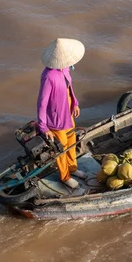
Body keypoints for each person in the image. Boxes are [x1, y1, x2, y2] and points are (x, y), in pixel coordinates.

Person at [37, 38, 87, 189]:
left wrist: (75, 103)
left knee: (71, 142)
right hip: (56, 119)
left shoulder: (65, 69)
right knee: (61, 149)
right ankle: (65, 176)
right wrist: (43, 126)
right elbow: (42, 102)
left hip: (68, 113)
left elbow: (69, 88)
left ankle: (73, 168)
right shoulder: (49, 76)